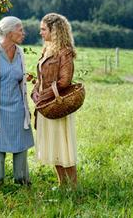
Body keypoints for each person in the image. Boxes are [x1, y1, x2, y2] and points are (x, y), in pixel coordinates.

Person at [0, 16, 34, 185]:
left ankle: (22, 181)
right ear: (10, 32)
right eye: (20, 30)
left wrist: (26, 108)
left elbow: (21, 83)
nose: (23, 33)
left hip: (17, 107)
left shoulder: (20, 52)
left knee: (20, 145)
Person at [32, 13, 78, 187]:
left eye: (43, 29)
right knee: (53, 146)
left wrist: (44, 95)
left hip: (57, 105)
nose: (41, 33)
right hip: (45, 105)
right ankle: (61, 184)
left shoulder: (64, 52)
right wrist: (35, 91)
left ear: (55, 30)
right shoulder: (47, 49)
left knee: (63, 147)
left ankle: (73, 186)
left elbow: (65, 81)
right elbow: (41, 77)